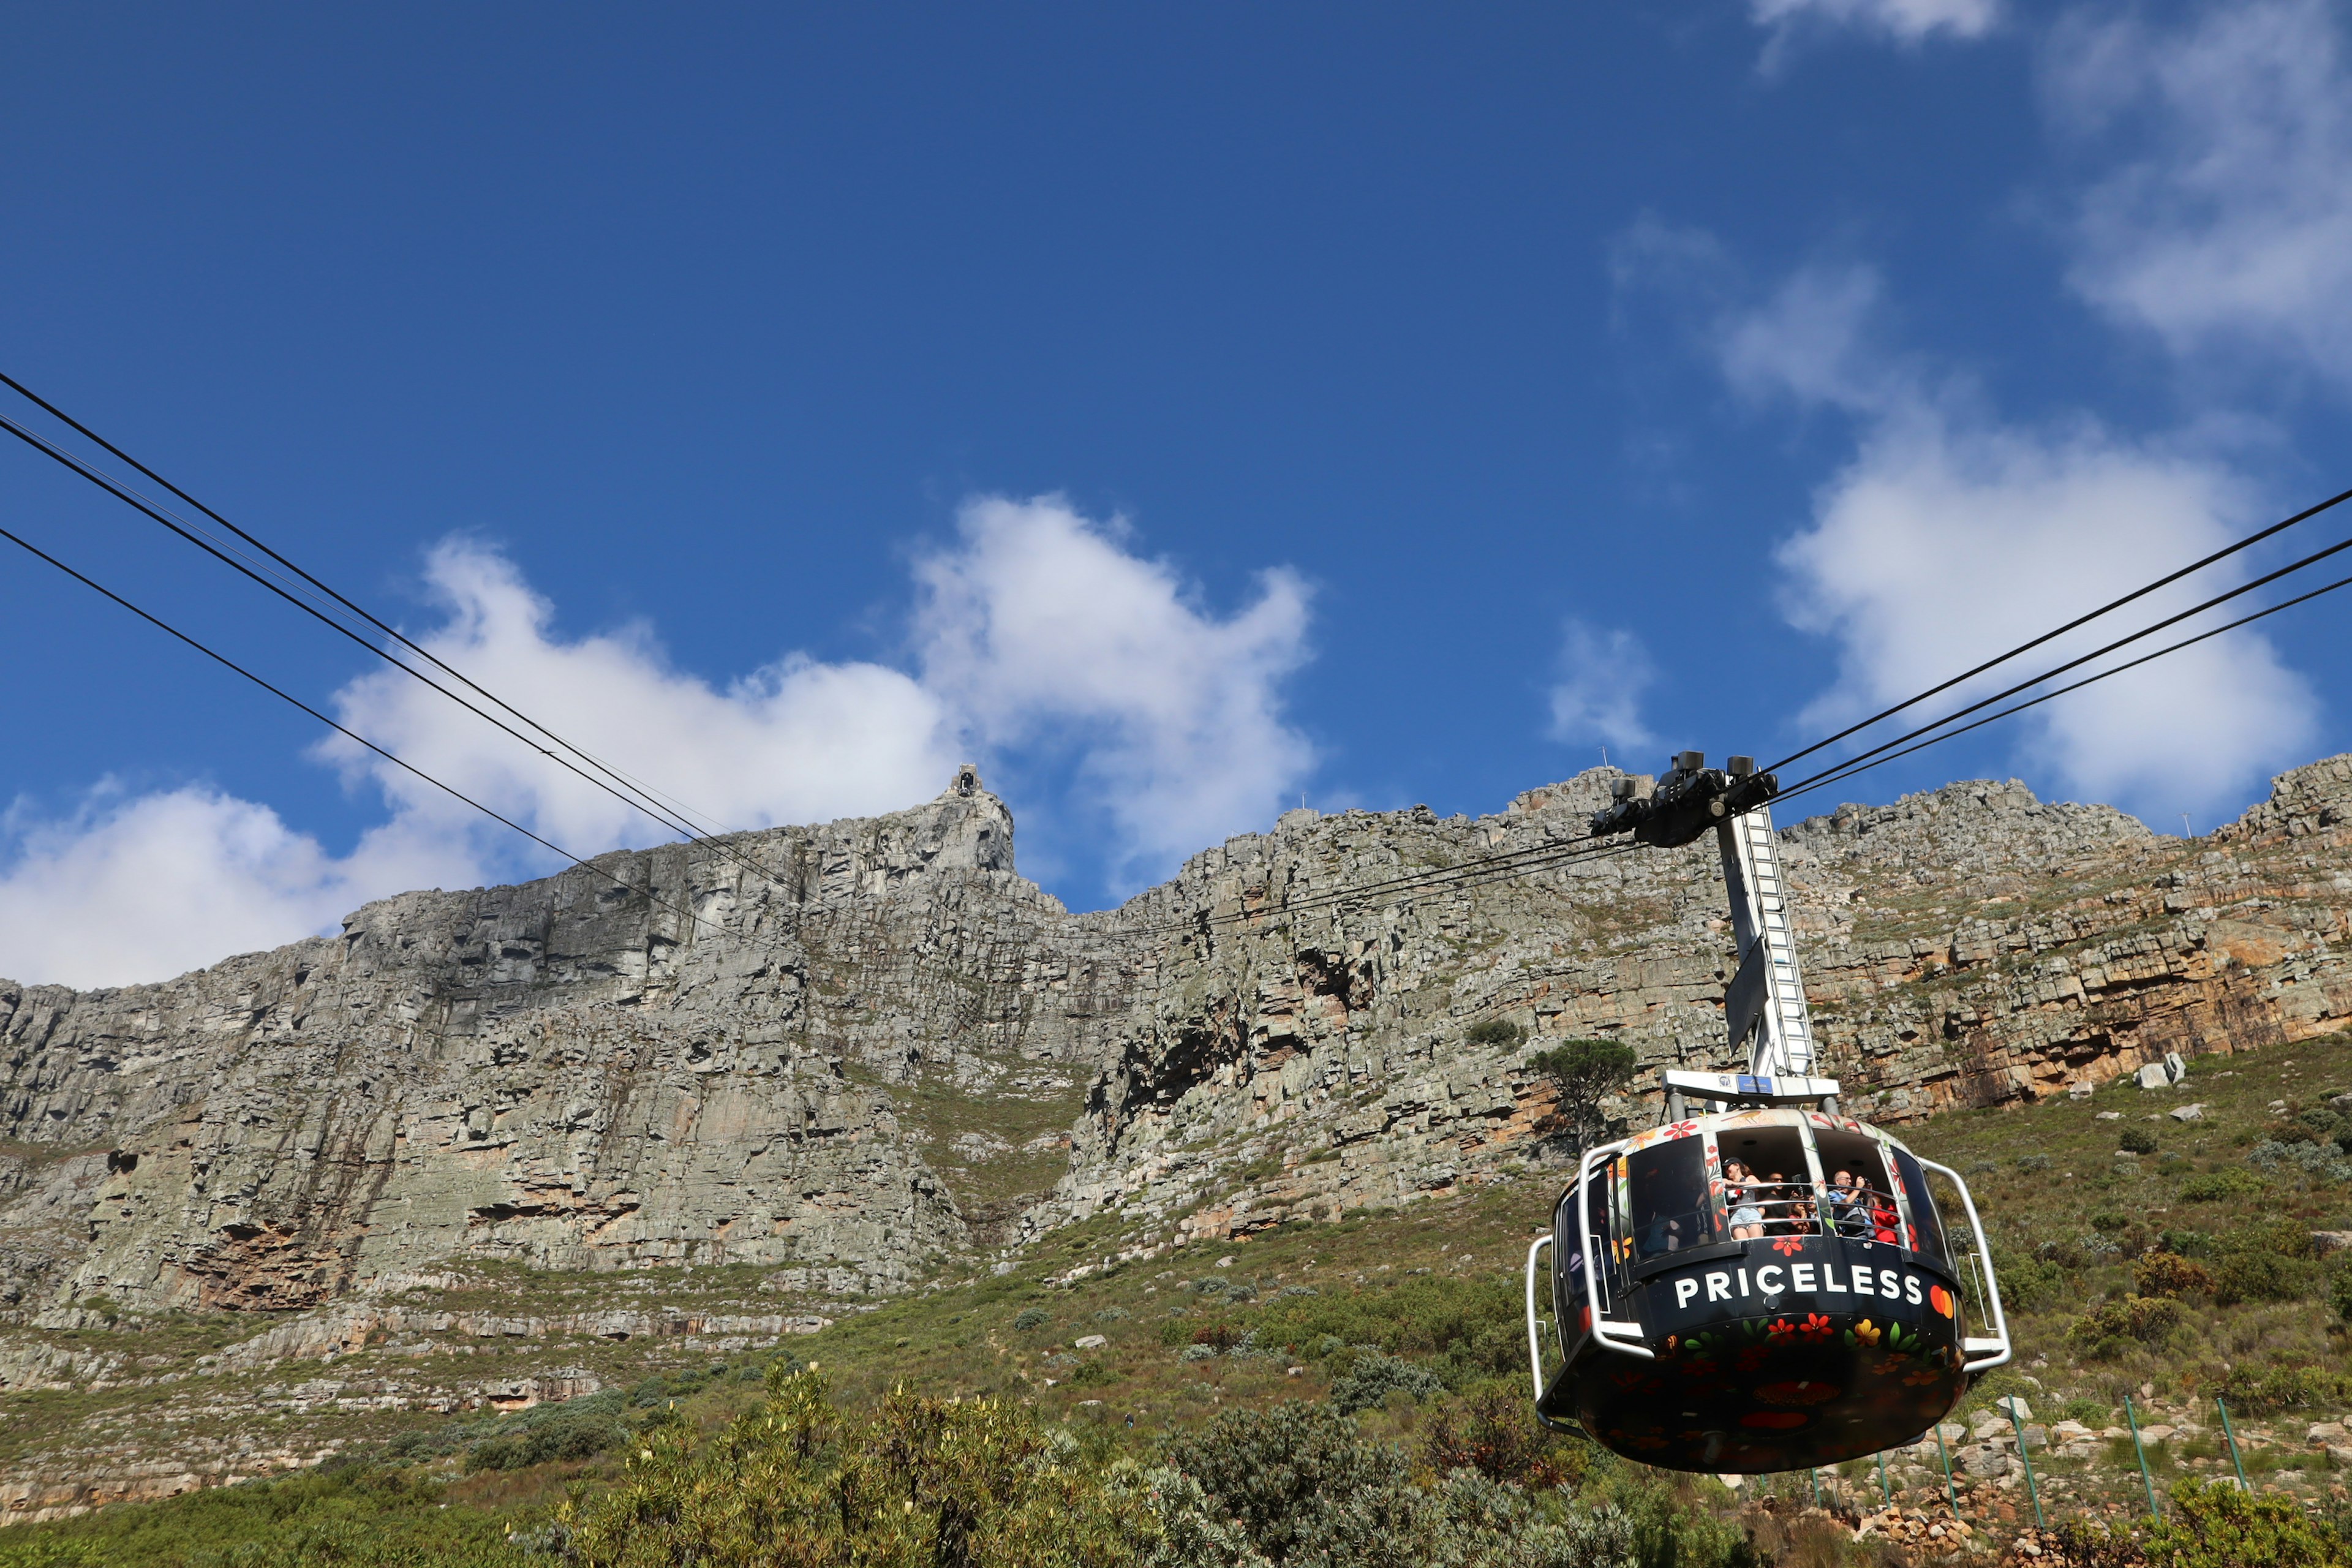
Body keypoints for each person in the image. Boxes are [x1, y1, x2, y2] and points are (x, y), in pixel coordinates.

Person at [1724, 1159, 1765, 1240]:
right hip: (1736, 1215)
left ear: (1737, 1166)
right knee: (1743, 1244)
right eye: (1725, 1168)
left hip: (1750, 1212)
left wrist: (1736, 1184)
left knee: (1755, 1243)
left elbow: (1758, 1184)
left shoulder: (1748, 1178)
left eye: (1728, 1167)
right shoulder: (1727, 1182)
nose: (1727, 1170)